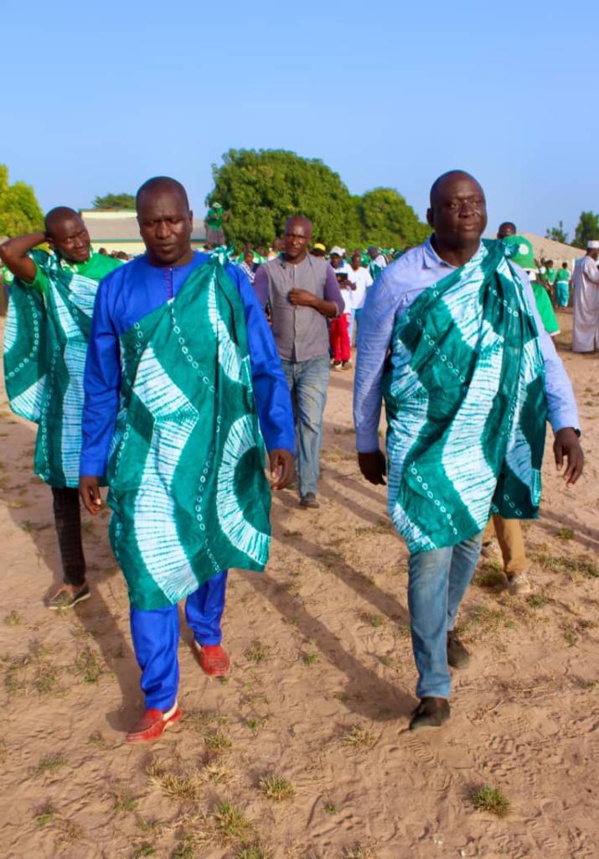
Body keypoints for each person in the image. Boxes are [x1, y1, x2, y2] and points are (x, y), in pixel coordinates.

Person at [354, 170, 583, 732]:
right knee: (429, 551)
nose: (466, 211)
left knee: (463, 546)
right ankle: (433, 688)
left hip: (483, 439)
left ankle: (446, 625)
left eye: (475, 202)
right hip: (422, 441)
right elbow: (370, 365)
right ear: (431, 216)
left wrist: (565, 424)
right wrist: (364, 439)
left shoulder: (507, 273)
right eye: (453, 204)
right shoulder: (397, 281)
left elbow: (542, 352)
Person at [79, 177, 295, 743]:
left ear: (190, 219)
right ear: (138, 225)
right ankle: (161, 698)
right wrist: (91, 461)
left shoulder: (227, 280)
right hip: (142, 452)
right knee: (145, 565)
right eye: (152, 222)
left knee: (207, 544)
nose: (164, 231)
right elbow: (101, 383)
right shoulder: (116, 289)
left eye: (173, 220)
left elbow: (263, 361)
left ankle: (206, 630)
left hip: (216, 446)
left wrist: (280, 434)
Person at [1, 209, 121, 609]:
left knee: (127, 478)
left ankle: (139, 565)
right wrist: (45, 236)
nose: (80, 242)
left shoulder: (112, 270)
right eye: (68, 238)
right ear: (54, 242)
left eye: (82, 233)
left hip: (112, 388)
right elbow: (9, 252)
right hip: (68, 396)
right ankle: (74, 579)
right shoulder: (48, 274)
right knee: (63, 487)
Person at [254, 216, 344, 509]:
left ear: (308, 239)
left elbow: (337, 307)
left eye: (300, 236)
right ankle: (287, 474)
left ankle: (308, 488)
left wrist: (312, 301)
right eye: (289, 235)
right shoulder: (267, 271)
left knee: (311, 422)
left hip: (314, 358)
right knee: (284, 420)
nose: (294, 240)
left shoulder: (322, 269)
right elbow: (253, 308)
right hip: (279, 359)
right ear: (283, 237)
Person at [572, 240, 599, 352]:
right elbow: (596, 278)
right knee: (590, 321)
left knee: (581, 322)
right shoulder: (589, 262)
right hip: (589, 297)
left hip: (580, 296)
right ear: (593, 250)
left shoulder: (579, 262)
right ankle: (587, 347)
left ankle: (581, 346)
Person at [347, 249, 373, 345]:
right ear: (352, 261)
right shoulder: (347, 271)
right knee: (349, 327)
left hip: (361, 304)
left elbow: (370, 285)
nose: (357, 264)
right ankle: (348, 344)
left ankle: (359, 344)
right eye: (355, 262)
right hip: (350, 304)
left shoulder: (364, 272)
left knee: (361, 326)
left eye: (358, 262)